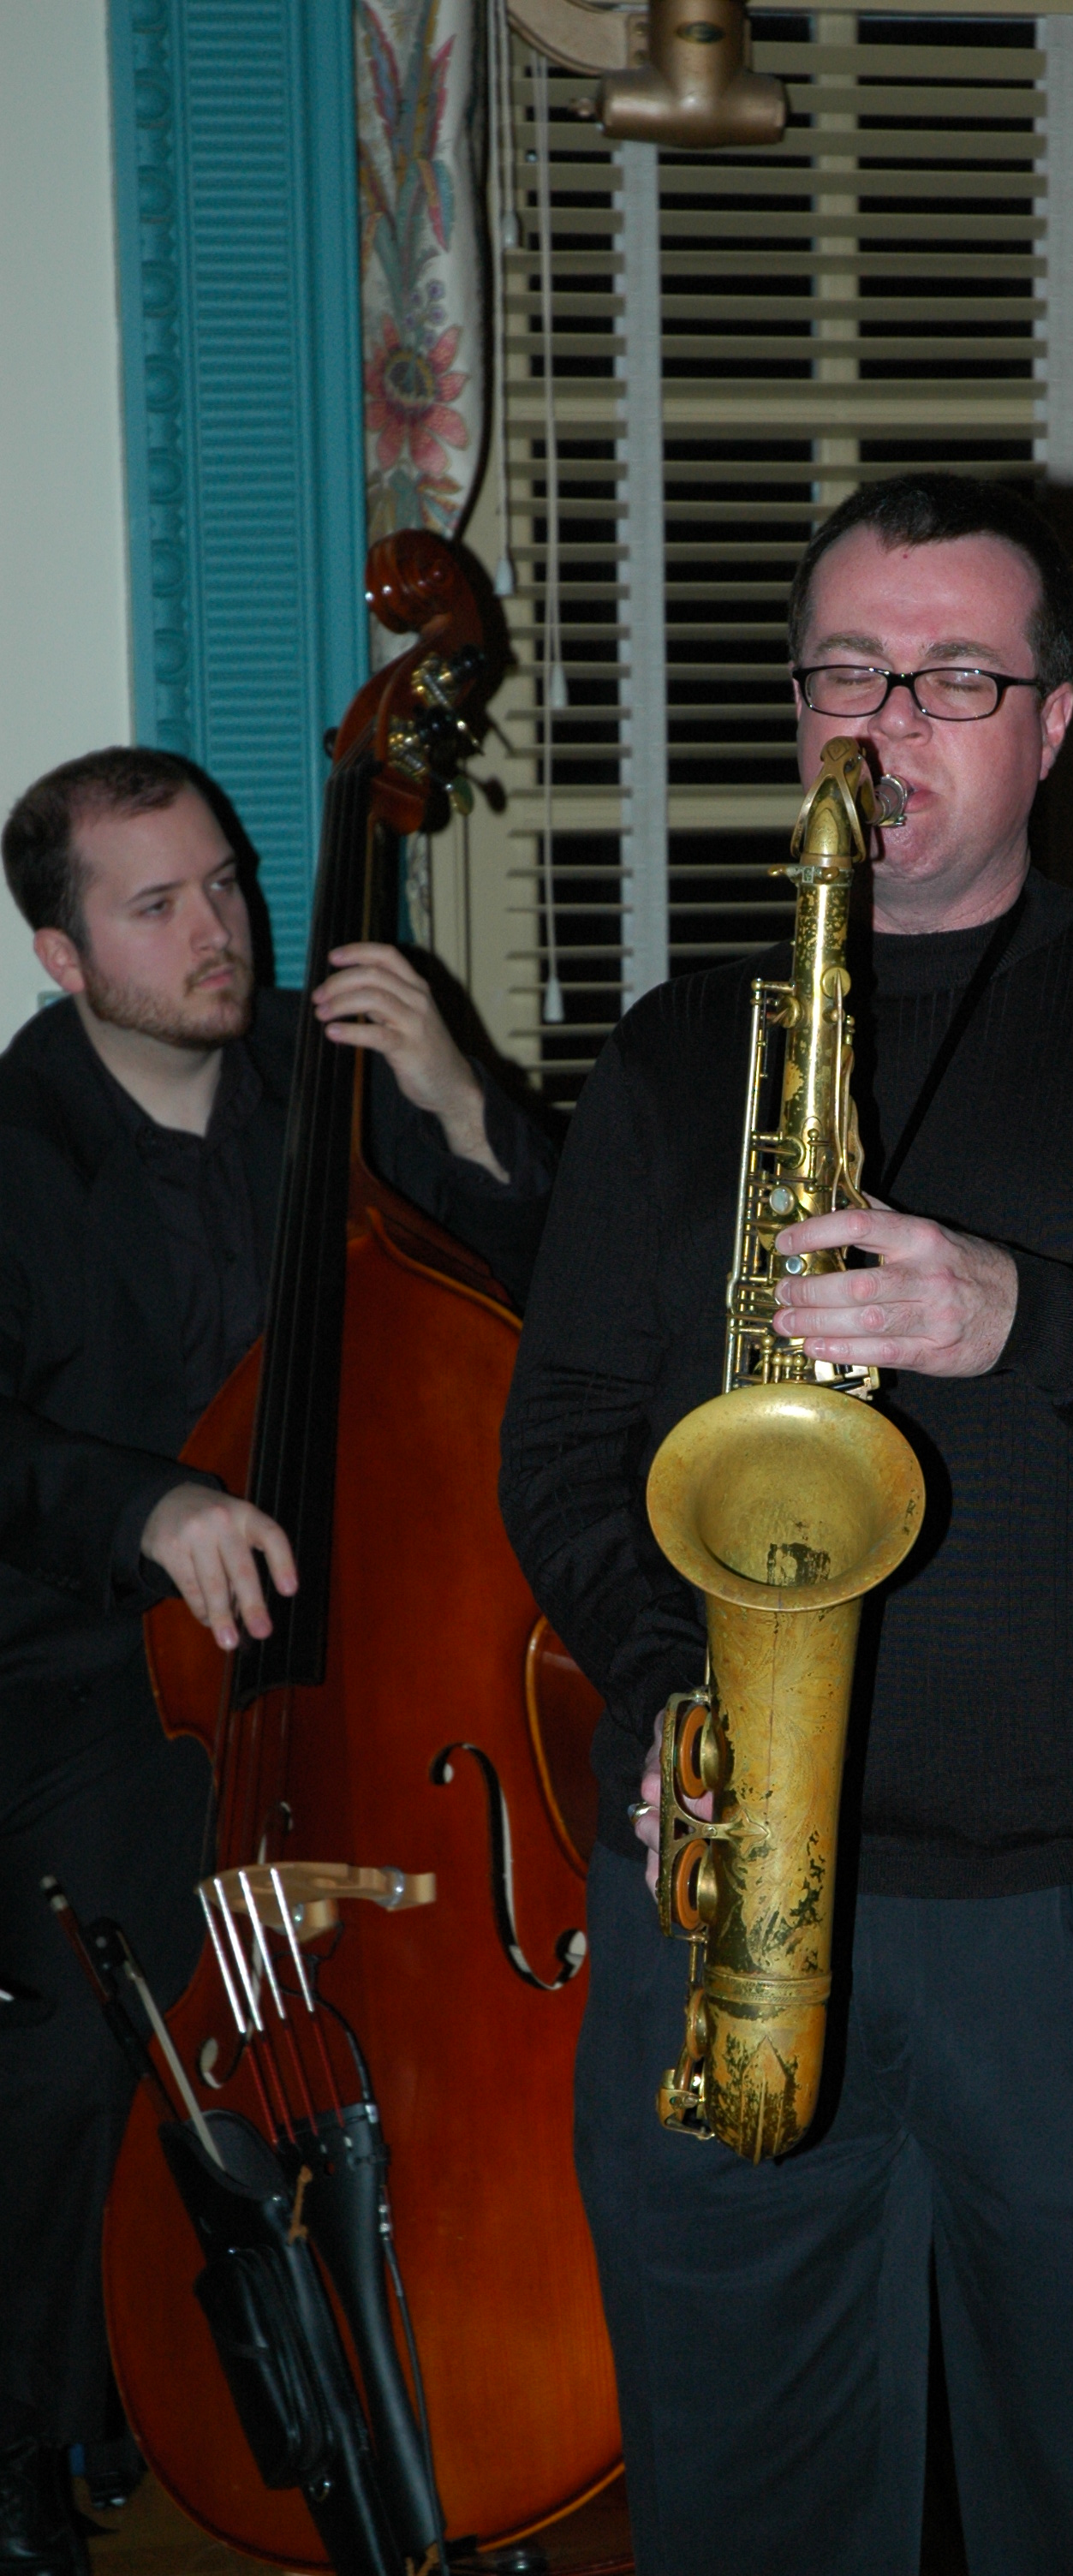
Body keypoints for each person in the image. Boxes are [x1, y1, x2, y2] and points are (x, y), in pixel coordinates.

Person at [498, 474, 1073, 2576]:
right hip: (728, 1887)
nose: (888, 722)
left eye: (956, 677)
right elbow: (569, 1442)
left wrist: (1020, 1318)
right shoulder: (678, 1052)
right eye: (848, 672)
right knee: (742, 2513)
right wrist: (671, 1679)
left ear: (1056, 723)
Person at [0, 747, 556, 2576]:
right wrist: (148, 1505)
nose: (220, 929)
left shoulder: (342, 1068)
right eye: (158, 905)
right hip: (112, 1676)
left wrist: (461, 1097)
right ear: (64, 957)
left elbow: (549, 1286)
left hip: (376, 1655)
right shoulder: (15, 1151)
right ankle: (29, 2440)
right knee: (90, 2049)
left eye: (228, 883)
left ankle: (504, 2363)